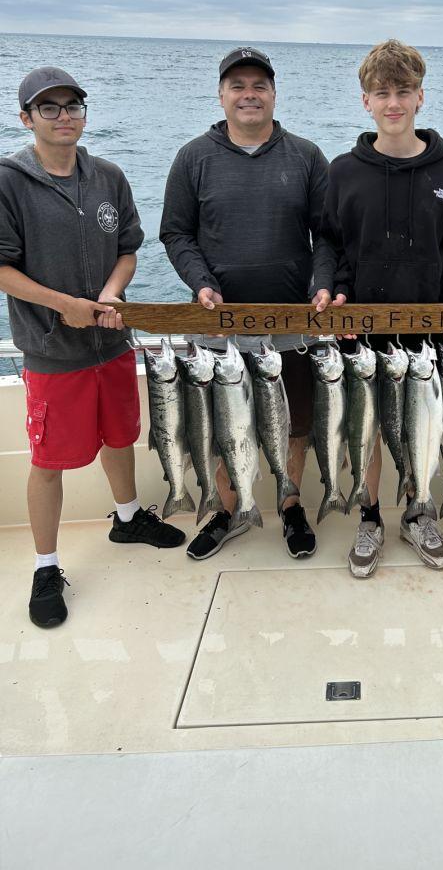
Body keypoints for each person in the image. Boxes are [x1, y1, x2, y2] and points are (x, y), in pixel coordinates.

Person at [0, 66, 184, 629]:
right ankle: (45, 565)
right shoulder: (8, 181)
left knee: (119, 436)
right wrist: (64, 304)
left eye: (72, 105)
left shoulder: (109, 176)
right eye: (49, 108)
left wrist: (108, 293)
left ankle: (127, 517)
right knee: (49, 460)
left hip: (113, 342)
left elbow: (129, 247)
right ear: (26, 118)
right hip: (52, 350)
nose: (63, 117)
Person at [160, 47, 331, 561]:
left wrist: (322, 283)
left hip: (294, 322)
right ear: (221, 94)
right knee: (221, 427)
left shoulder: (305, 154)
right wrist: (200, 282)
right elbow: (175, 233)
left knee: (295, 422)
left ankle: (291, 502)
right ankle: (225, 508)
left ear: (274, 94)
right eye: (238, 85)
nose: (249, 94)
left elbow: (325, 235)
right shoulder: (193, 157)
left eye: (259, 85)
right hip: (218, 324)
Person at [317, 39, 443, 577]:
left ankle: (419, 511)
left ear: (420, 97)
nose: (393, 103)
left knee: (420, 426)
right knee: (371, 428)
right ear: (365, 101)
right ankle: (369, 515)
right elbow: (330, 243)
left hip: (431, 329)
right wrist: (332, 291)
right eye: (381, 93)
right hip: (361, 327)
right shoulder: (343, 171)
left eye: (403, 91)